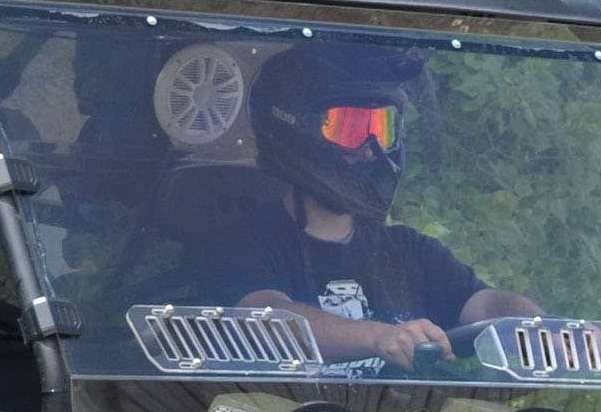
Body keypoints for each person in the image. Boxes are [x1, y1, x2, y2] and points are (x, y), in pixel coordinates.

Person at [223, 42, 538, 372]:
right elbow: (266, 320)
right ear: (296, 130)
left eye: (382, 129)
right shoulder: (242, 245)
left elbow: (483, 305)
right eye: (350, 129)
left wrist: (543, 326)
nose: (371, 150)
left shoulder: (408, 252)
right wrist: (379, 337)